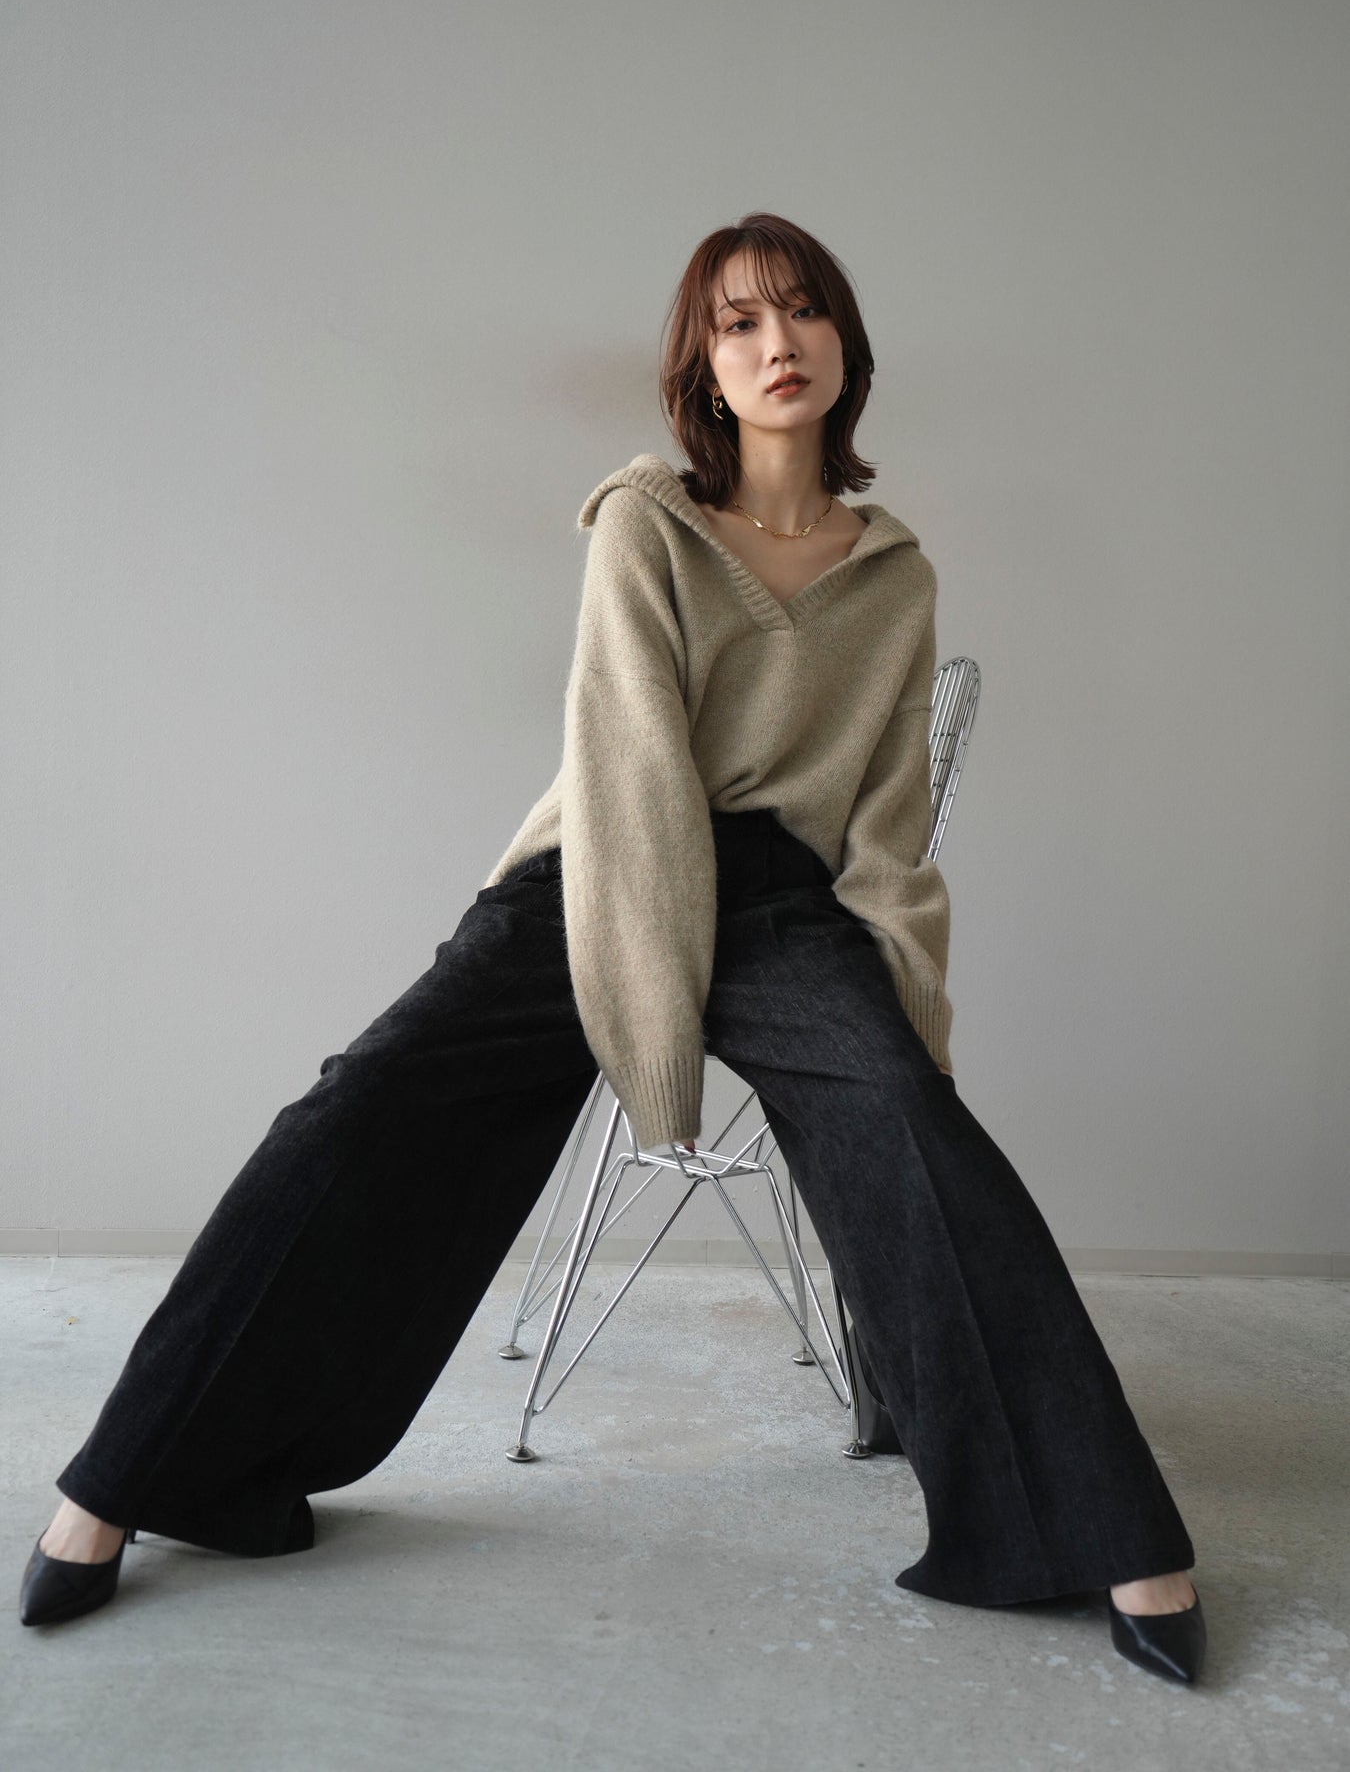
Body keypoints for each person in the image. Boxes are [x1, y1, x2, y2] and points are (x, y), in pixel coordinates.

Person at [19, 211, 1206, 1686]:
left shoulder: (894, 574)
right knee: (353, 1111)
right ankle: (123, 1484)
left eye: (800, 312)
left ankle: (1100, 1533)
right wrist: (651, 1036)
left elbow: (886, 830)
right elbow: (634, 773)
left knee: (912, 1118)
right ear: (702, 368)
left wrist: (907, 1009)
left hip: (781, 902)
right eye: (737, 324)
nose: (775, 344)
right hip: (595, 873)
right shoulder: (647, 521)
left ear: (845, 345)